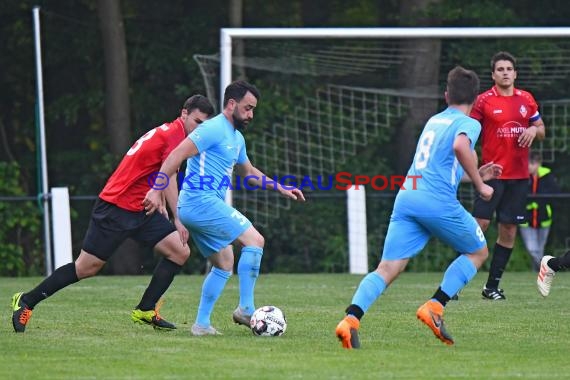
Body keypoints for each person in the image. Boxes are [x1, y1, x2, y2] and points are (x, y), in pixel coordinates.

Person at [11, 95, 215, 333]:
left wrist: (159, 198)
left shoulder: (171, 133)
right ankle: (26, 301)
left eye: (204, 124)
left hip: (141, 207)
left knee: (179, 251)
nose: (198, 128)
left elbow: (160, 171)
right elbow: (168, 174)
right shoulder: (175, 135)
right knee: (86, 268)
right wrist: (177, 217)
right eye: (197, 121)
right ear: (183, 114)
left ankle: (146, 309)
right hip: (116, 207)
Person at [335, 66, 502, 349]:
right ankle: (435, 306)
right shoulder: (470, 123)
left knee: (387, 268)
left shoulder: (434, 120)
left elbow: (438, 168)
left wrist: (477, 173)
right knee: (478, 251)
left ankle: (350, 320)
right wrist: (480, 184)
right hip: (436, 201)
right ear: (475, 99)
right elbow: (462, 147)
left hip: (408, 196)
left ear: (446, 94)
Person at [143, 80, 305, 336]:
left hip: (198, 206)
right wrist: (156, 188)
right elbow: (175, 155)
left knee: (224, 262)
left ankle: (201, 325)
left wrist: (280, 187)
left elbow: (249, 172)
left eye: (253, 109)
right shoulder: (212, 128)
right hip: (200, 201)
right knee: (255, 240)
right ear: (231, 104)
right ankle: (246, 309)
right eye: (248, 108)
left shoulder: (236, 138)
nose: (251, 114)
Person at [470, 51, 546, 300]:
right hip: (491, 174)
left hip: (518, 177)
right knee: (478, 227)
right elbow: (468, 132)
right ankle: (455, 282)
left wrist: (534, 131)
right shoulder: (483, 101)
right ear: (493, 74)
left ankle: (491, 286)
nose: (505, 72)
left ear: (515, 73)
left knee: (509, 229)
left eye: (508, 69)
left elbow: (541, 128)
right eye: (500, 69)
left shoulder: (526, 99)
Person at [519, 152, 560, 271]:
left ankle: (536, 274)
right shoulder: (522, 176)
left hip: (544, 218)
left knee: (539, 249)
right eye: (528, 164)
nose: (529, 167)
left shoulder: (548, 176)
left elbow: (554, 193)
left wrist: (538, 202)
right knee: (532, 249)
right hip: (526, 219)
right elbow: (518, 195)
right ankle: (547, 268)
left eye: (532, 164)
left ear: (538, 164)